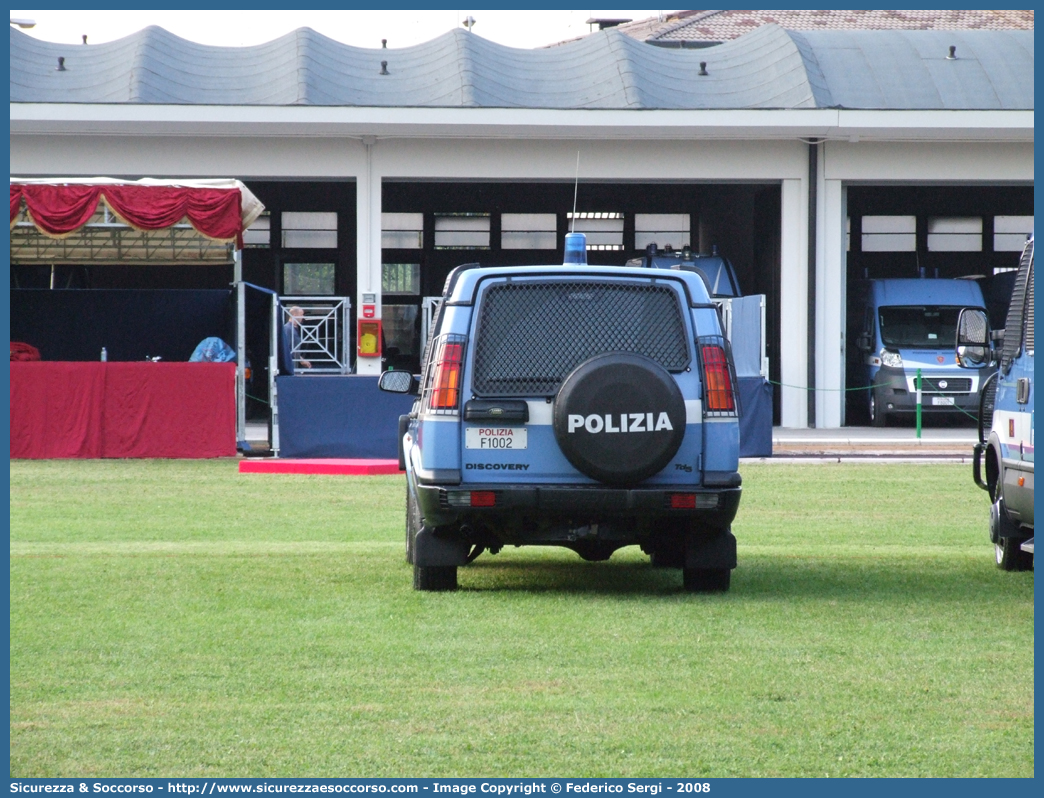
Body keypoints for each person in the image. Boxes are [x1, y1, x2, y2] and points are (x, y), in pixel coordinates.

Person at [281, 305, 312, 375]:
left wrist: (301, 359)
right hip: (289, 367)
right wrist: (301, 360)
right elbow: (287, 348)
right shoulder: (288, 329)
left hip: (294, 366)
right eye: (301, 315)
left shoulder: (294, 328)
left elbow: (293, 348)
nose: (303, 317)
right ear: (294, 315)